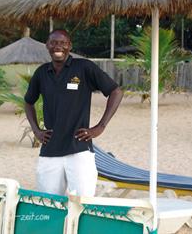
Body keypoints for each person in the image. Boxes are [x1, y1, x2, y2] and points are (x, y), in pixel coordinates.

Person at [24, 29, 123, 197]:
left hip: (79, 150)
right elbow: (28, 102)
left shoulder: (84, 67)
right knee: (49, 204)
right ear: (47, 46)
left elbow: (116, 91)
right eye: (54, 42)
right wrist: (36, 131)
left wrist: (100, 126)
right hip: (49, 152)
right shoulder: (41, 73)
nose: (58, 46)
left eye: (63, 43)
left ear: (69, 46)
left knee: (82, 203)